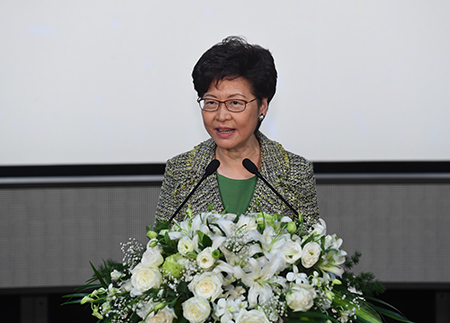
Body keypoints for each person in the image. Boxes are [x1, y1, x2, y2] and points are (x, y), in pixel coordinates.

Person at [155, 36, 319, 227]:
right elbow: (160, 247)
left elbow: (312, 247)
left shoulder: (296, 173)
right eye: (211, 102)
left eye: (235, 103)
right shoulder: (180, 172)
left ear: (262, 106)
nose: (221, 115)